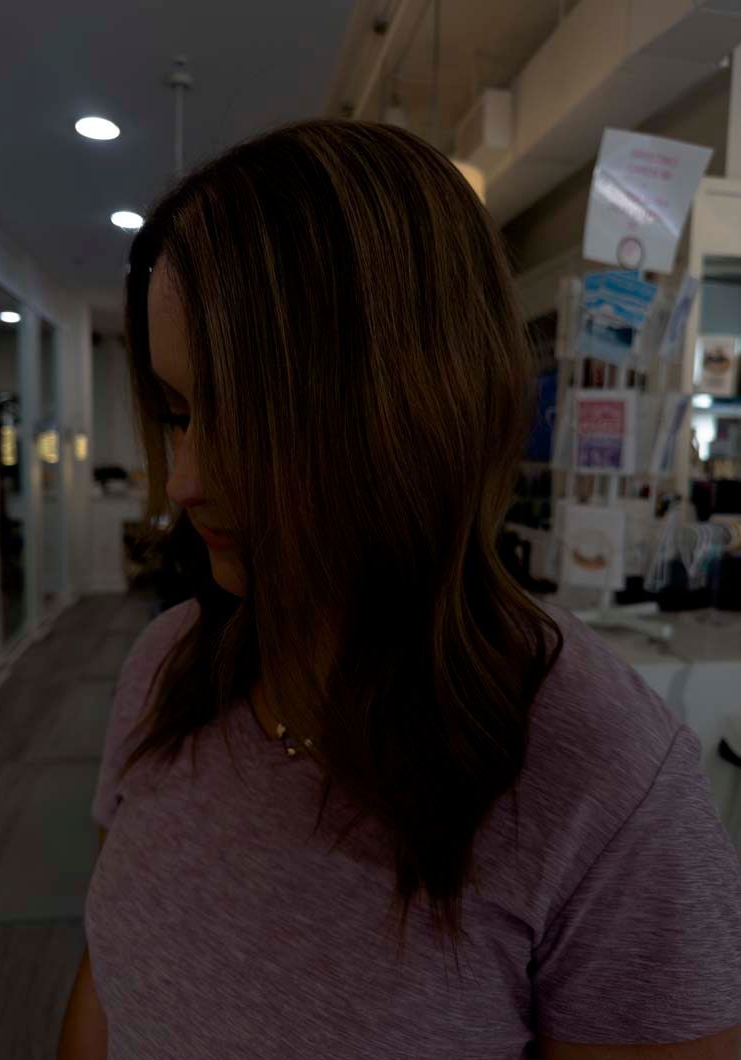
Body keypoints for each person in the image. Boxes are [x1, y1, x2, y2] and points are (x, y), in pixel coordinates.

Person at [58, 121, 741, 1060]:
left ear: (410, 409)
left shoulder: (602, 782)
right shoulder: (170, 665)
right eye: (178, 413)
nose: (183, 481)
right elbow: (107, 973)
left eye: (251, 419)